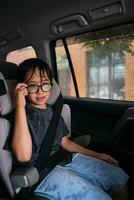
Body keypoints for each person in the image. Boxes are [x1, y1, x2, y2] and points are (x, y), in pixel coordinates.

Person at [9, 58, 129, 200]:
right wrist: (20, 106)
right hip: (42, 173)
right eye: (33, 86)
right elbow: (23, 156)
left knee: (116, 175)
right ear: (22, 88)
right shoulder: (20, 116)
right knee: (97, 196)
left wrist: (97, 154)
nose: (40, 91)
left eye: (45, 84)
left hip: (65, 158)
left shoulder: (52, 112)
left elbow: (65, 142)